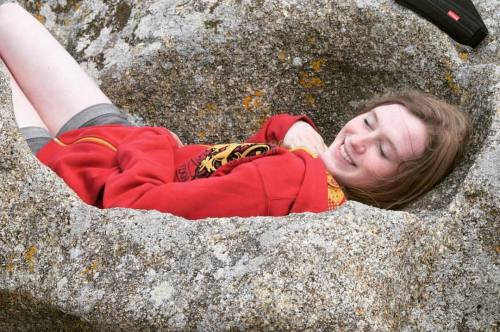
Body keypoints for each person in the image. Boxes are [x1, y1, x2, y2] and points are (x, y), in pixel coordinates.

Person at [0, 2, 471, 219]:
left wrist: (150, 144)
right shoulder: (311, 178)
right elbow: (270, 134)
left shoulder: (293, 184)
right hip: (110, 140)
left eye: (383, 151)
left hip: (70, 171)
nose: (358, 140)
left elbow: (135, 208)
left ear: (398, 185)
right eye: (369, 121)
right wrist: (297, 128)